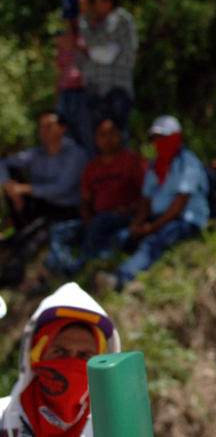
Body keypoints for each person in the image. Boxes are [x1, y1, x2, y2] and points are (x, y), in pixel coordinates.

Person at [96, 115, 210, 292]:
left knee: (153, 243)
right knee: (123, 237)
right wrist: (139, 223)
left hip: (185, 222)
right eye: (156, 138)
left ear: (176, 137)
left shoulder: (188, 163)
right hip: (158, 219)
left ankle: (119, 279)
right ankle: (85, 267)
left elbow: (179, 204)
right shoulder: (155, 166)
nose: (159, 142)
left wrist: (153, 227)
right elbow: (146, 199)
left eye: (163, 137)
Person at [0, 282, 121, 437]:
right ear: (35, 354)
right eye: (59, 351)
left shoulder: (115, 430)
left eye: (85, 355)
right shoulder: (2, 418)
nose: (71, 363)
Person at [46, 117, 147, 277]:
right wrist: (87, 220)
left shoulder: (133, 162)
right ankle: (58, 267)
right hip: (95, 220)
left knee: (104, 228)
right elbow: (85, 201)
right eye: (102, 134)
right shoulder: (92, 167)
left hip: (124, 218)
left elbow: (148, 196)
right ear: (95, 139)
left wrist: (131, 211)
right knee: (59, 231)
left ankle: (79, 267)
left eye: (111, 133)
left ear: (120, 135)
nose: (107, 139)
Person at [0, 112, 88, 286]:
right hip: (42, 207)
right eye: (41, 126)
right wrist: (9, 187)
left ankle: (13, 273)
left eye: (49, 126)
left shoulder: (75, 154)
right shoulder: (36, 153)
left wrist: (24, 189)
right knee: (13, 174)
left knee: (33, 238)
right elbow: (3, 163)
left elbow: (61, 189)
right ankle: (18, 234)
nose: (44, 131)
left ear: (62, 128)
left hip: (67, 211)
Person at [78, 0, 138, 152]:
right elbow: (81, 61)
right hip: (95, 91)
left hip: (116, 91)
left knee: (119, 142)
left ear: (108, 1)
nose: (91, 4)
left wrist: (82, 17)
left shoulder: (121, 19)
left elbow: (94, 42)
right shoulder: (95, 25)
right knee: (96, 146)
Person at [54, 0, 90, 151]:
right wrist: (57, 100)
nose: (71, 22)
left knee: (87, 138)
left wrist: (77, 46)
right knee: (68, 142)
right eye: (68, 18)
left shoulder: (89, 36)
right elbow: (59, 71)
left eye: (74, 17)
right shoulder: (62, 40)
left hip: (84, 94)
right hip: (65, 95)